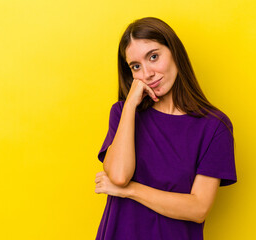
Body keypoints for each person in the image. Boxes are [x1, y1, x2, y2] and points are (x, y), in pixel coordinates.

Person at [94, 17, 237, 240]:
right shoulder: (123, 114)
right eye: (136, 66)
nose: (148, 74)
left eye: (154, 57)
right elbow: (120, 175)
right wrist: (131, 104)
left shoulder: (214, 127)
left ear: (175, 53)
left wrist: (129, 191)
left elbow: (198, 209)